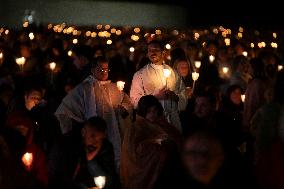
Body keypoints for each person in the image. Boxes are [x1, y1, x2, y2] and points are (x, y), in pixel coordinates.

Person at [55, 56, 133, 169]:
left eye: (106, 69)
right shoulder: (84, 89)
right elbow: (65, 110)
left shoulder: (114, 88)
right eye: (100, 69)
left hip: (113, 132)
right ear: (92, 70)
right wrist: (69, 131)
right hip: (93, 135)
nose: (104, 72)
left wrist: (124, 110)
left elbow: (128, 104)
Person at [121, 95, 184, 189]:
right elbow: (134, 153)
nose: (152, 114)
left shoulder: (163, 124)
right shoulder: (135, 128)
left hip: (169, 171)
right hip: (149, 173)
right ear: (143, 112)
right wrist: (156, 144)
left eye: (155, 110)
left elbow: (179, 140)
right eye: (149, 111)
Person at [130, 40, 187, 131]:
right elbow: (134, 100)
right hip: (152, 122)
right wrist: (156, 97)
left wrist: (175, 96)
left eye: (155, 49)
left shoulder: (173, 73)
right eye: (150, 50)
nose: (152, 52)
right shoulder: (140, 75)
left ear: (163, 52)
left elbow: (183, 96)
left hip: (172, 121)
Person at [49, 116, 119, 189]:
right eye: (92, 136)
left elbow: (110, 179)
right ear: (83, 132)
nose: (95, 142)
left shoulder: (105, 149)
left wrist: (91, 160)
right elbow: (59, 178)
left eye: (100, 139)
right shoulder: (65, 146)